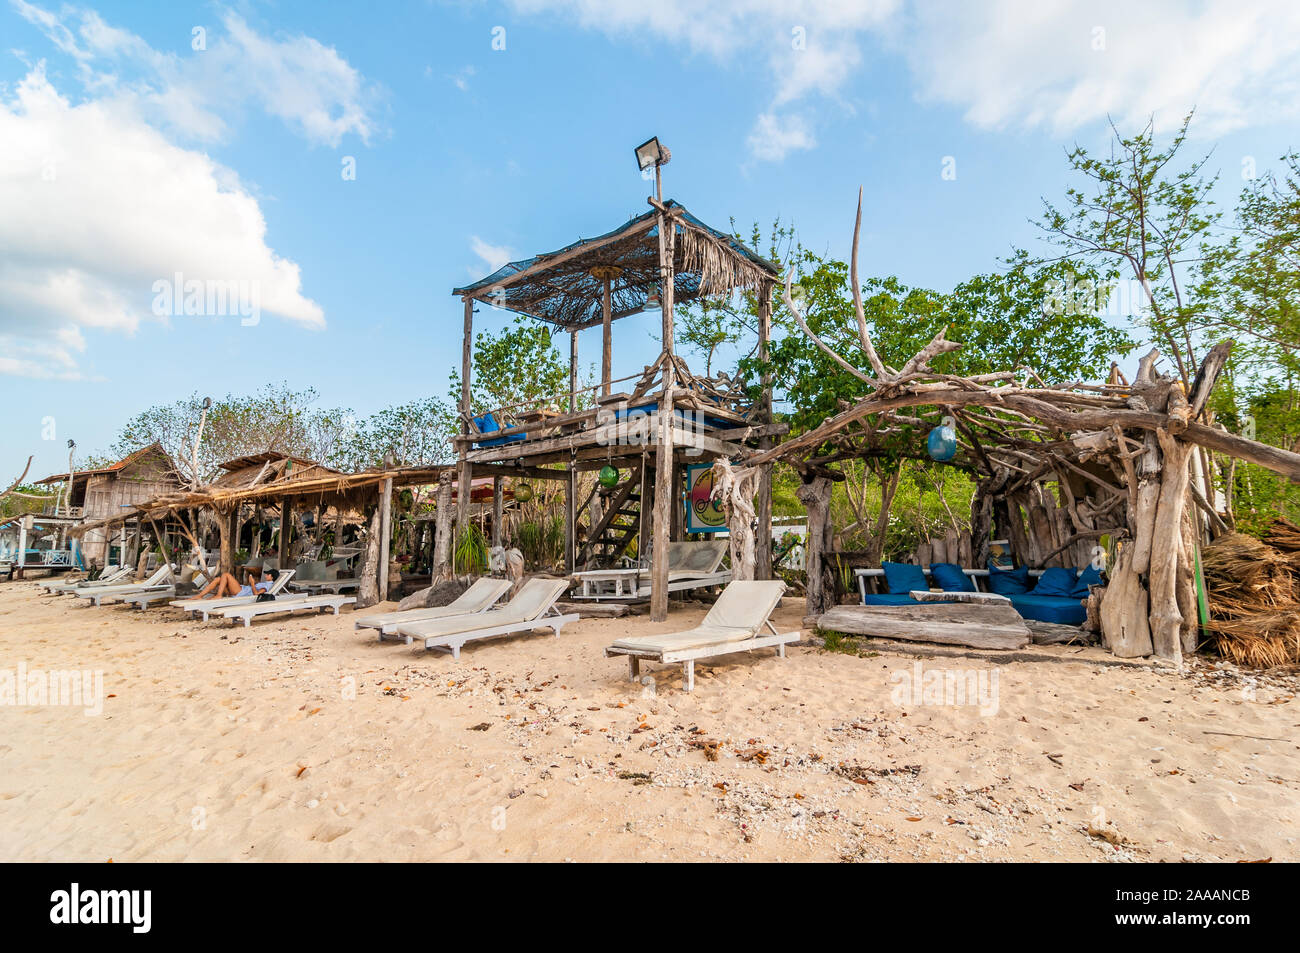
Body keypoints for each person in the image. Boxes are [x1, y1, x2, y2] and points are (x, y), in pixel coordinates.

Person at [196, 567, 278, 600]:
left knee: (226, 575)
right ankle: (199, 596)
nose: (266, 575)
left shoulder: (268, 585)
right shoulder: (266, 583)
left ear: (272, 577)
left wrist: (252, 583)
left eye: (268, 574)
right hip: (242, 590)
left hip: (241, 592)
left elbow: (257, 594)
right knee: (218, 579)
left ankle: (219, 595)